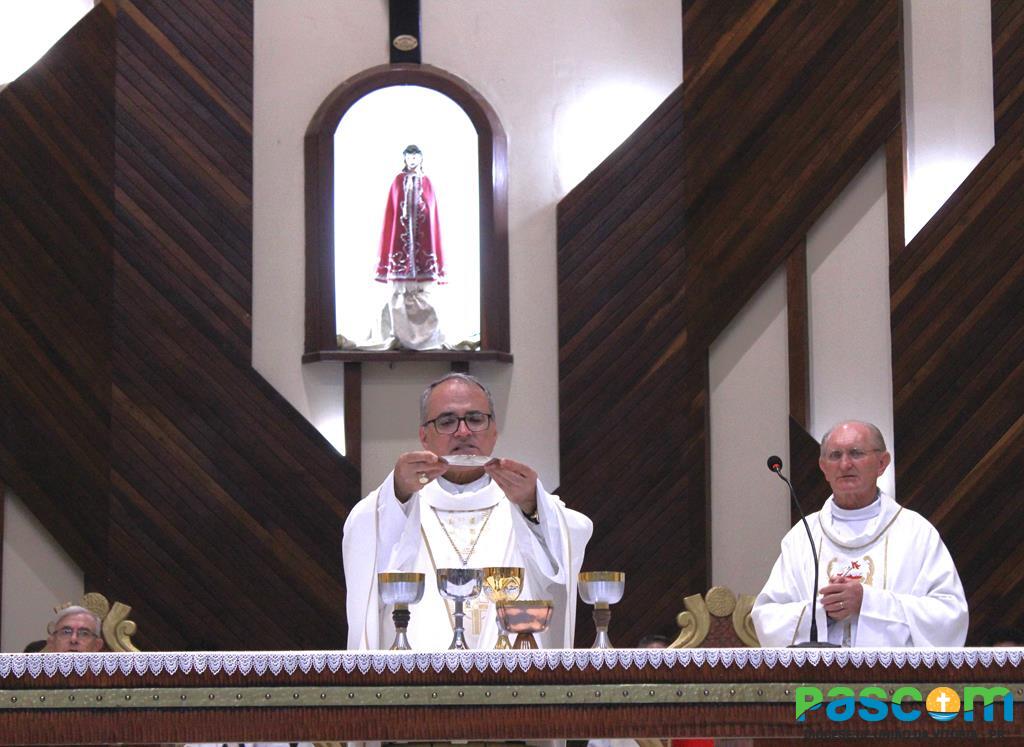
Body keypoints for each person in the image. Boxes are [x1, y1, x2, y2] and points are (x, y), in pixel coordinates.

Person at [343, 373, 593, 650]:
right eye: (447, 421)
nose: (463, 432)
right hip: (418, 680)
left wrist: (533, 504)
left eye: (475, 419)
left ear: (494, 431)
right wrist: (397, 490)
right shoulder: (400, 502)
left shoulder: (522, 501)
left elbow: (577, 531)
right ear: (424, 436)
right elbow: (361, 532)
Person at [751, 420, 968, 647]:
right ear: (823, 467)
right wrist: (822, 612)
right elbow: (767, 618)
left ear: (882, 463)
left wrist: (867, 602)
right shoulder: (803, 537)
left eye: (856, 453)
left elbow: (950, 615)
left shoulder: (916, 533)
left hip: (893, 680)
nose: (845, 464)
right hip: (816, 680)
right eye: (835, 456)